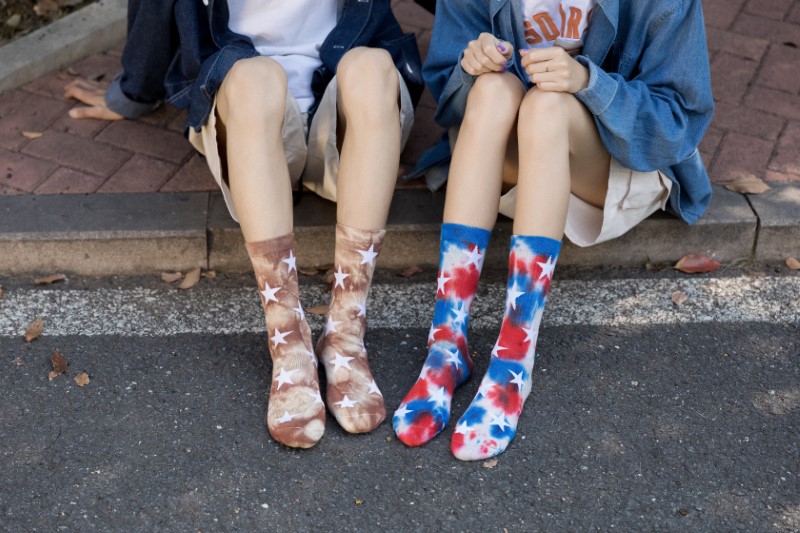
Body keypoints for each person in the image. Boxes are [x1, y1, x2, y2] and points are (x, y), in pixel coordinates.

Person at [66, 0, 422, 449]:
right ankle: (289, 341)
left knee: (372, 65)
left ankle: (346, 333)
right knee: (254, 76)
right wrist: (132, 93)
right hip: (245, 119)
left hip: (345, 126)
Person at [392, 0, 713, 460]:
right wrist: (469, 66)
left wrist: (589, 82)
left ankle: (513, 360)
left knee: (547, 106)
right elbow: (448, 94)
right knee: (491, 91)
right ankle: (446, 344)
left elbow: (677, 123)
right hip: (514, 159)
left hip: (612, 165)